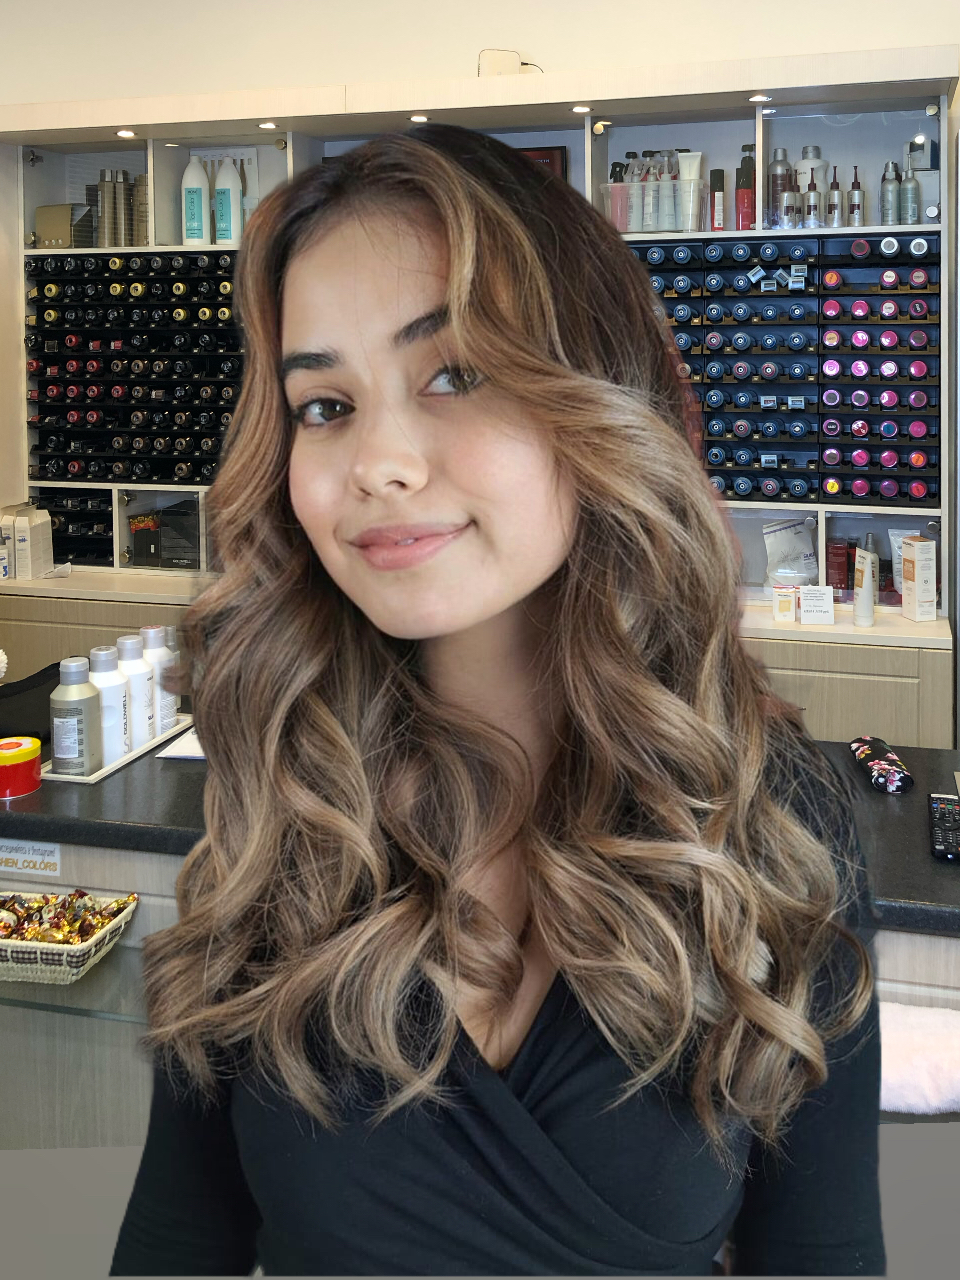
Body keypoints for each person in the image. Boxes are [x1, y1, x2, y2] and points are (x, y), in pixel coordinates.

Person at [110, 124, 885, 1276]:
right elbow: (176, 1240)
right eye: (324, 404)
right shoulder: (281, 803)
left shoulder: (772, 824)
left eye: (455, 374)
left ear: (598, 400)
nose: (379, 462)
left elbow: (826, 1253)